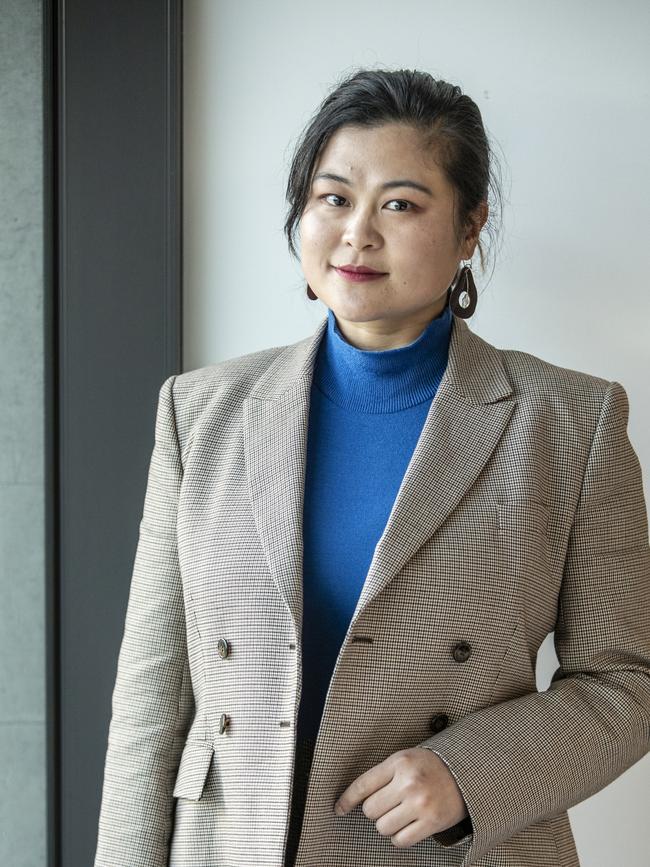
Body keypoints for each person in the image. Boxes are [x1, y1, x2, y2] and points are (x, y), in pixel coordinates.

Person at [94, 68, 650, 867]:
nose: (357, 232)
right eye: (332, 197)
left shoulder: (570, 421)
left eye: (400, 203)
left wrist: (470, 773)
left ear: (469, 229)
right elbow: (150, 701)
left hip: (453, 850)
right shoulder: (201, 410)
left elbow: (625, 679)